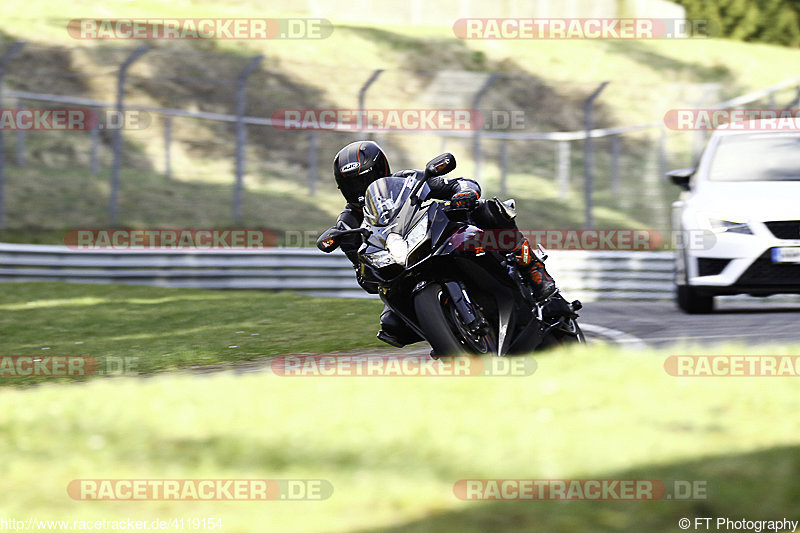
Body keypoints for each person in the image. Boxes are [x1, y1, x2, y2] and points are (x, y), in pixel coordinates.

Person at [324, 140, 556, 348]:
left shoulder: (407, 180)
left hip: (431, 238)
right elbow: (362, 271)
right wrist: (366, 272)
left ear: (381, 171)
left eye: (365, 180)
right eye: (352, 185)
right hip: (398, 267)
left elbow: (459, 184)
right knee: (391, 324)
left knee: (488, 210)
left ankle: (532, 268)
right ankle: (446, 335)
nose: (360, 190)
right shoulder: (346, 224)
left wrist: (464, 193)